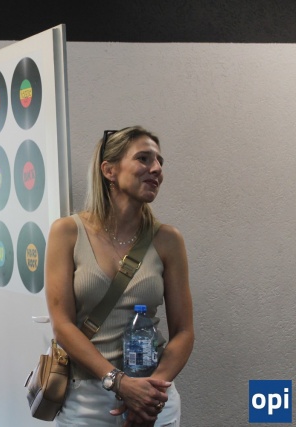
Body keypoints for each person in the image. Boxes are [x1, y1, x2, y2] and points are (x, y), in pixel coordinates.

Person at [45, 126, 194, 427]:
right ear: (109, 170)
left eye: (159, 161)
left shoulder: (168, 240)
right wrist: (120, 383)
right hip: (86, 400)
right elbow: (62, 325)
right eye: (143, 158)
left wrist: (150, 394)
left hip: (153, 400)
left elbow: (184, 332)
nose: (156, 168)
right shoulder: (67, 232)